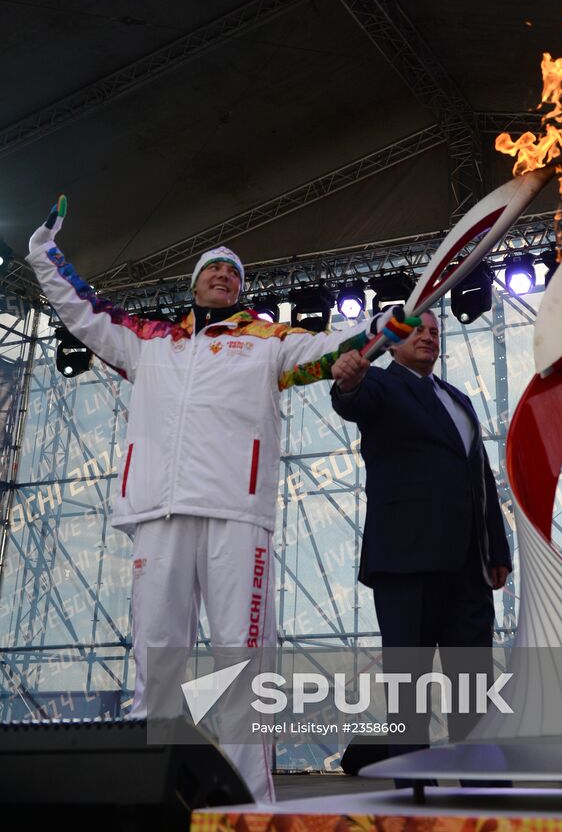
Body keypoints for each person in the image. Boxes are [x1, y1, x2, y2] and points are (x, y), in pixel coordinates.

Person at [26, 196, 414, 802]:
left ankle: (253, 806)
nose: (223, 275)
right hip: (159, 514)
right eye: (213, 268)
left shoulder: (267, 342)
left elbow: (328, 348)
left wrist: (382, 329)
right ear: (195, 283)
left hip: (236, 514)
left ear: (241, 289)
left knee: (243, 666)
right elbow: (82, 311)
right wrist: (43, 254)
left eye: (233, 272)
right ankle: (146, 795)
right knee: (156, 665)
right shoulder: (148, 341)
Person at [330, 310, 512, 760]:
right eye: (417, 331)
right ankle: (413, 784)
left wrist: (496, 545)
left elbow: (481, 478)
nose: (429, 337)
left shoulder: (459, 399)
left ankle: (476, 777)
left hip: (469, 563)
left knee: (472, 678)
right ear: (391, 343)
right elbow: (352, 399)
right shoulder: (381, 384)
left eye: (435, 331)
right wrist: (348, 379)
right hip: (405, 558)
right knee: (408, 680)